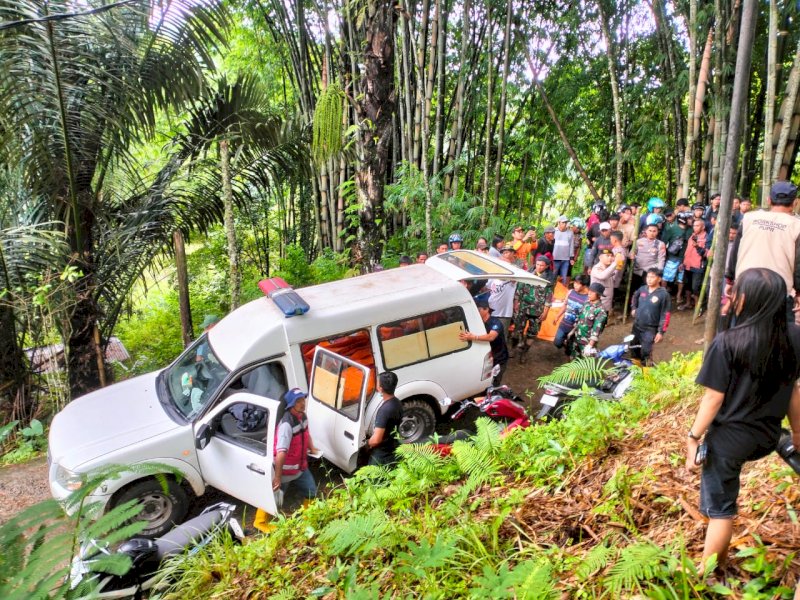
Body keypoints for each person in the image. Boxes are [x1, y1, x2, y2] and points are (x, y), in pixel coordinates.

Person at [686, 268, 800, 573]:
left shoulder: (727, 343)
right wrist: (798, 438)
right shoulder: (795, 338)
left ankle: (708, 573)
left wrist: (693, 437)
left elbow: (713, 399)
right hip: (767, 435)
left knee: (721, 511)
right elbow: (793, 394)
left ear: (744, 299)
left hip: (730, 443)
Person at [726, 181, 800, 323]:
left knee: (741, 331)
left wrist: (729, 279)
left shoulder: (749, 218)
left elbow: (735, 251)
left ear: (769, 200)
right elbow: (799, 264)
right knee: (776, 336)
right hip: (779, 291)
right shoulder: (797, 226)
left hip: (746, 286)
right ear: (795, 202)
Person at [253, 387, 319, 533]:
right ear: (291, 405)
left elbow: (306, 435)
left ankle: (309, 518)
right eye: (298, 401)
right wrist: (277, 476)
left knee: (311, 491)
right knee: (275, 497)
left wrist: (313, 449)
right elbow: (281, 452)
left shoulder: (303, 417)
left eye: (303, 399)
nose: (303, 403)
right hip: (286, 471)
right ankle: (260, 522)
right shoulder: (286, 425)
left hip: (300, 467)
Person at [512, 256, 554, 363]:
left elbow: (549, 297)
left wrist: (545, 312)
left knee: (532, 333)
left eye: (542, 265)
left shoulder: (548, 279)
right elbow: (520, 288)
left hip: (537, 311)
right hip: (524, 307)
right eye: (537, 264)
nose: (539, 267)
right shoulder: (529, 274)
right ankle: (514, 348)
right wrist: (516, 302)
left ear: (547, 266)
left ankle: (524, 353)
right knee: (518, 329)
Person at [459, 298, 509, 386]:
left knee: (494, 381)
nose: (477, 312)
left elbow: (491, 337)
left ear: (486, 309)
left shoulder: (495, 322)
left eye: (479, 310)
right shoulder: (478, 322)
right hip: (486, 358)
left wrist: (473, 337)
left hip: (499, 358)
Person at [630, 268, 670, 365]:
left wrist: (660, 332)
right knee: (633, 348)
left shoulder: (664, 294)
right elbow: (634, 296)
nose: (649, 279)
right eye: (648, 277)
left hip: (650, 329)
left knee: (646, 352)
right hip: (637, 325)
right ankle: (636, 369)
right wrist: (634, 308)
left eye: (652, 277)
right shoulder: (642, 289)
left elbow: (666, 315)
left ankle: (647, 374)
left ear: (659, 279)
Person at [368, 371, 404, 466]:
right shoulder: (397, 403)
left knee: (374, 478)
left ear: (380, 389)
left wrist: (367, 444)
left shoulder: (384, 411)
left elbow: (376, 440)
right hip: (393, 446)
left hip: (382, 453)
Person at [566, 282, 608, 359]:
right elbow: (579, 319)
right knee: (573, 361)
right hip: (576, 338)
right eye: (589, 291)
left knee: (586, 365)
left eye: (592, 292)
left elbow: (597, 330)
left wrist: (590, 345)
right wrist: (573, 331)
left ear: (598, 295)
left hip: (587, 342)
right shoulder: (587, 303)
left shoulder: (601, 311)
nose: (589, 293)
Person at [552, 274, 590, 351]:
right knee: (557, 342)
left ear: (584, 286)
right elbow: (565, 305)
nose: (575, 285)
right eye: (575, 283)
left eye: (578, 284)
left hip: (575, 327)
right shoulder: (570, 292)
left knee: (571, 348)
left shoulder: (588, 298)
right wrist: (557, 316)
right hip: (564, 323)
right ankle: (565, 343)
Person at [489, 245, 518, 338]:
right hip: (491, 311)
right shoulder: (492, 275)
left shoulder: (513, 276)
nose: (506, 254)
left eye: (508, 252)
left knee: (502, 337)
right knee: (490, 336)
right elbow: (486, 288)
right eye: (504, 252)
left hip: (504, 313)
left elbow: (514, 278)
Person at [679, 218, 709, 311]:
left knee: (695, 287)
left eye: (697, 225)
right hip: (687, 264)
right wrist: (683, 262)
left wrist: (697, 246)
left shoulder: (706, 237)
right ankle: (688, 303)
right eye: (694, 225)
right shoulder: (692, 235)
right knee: (687, 285)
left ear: (703, 227)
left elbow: (705, 254)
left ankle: (697, 306)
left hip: (698, 266)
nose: (695, 227)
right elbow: (687, 250)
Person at [631, 223, 666, 293]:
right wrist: (632, 255)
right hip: (637, 271)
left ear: (657, 232)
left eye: (654, 231)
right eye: (650, 230)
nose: (652, 233)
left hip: (649, 273)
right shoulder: (638, 241)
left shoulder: (660, 244)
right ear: (646, 231)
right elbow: (631, 254)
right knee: (634, 291)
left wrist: (656, 274)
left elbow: (661, 261)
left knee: (645, 292)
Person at [590, 248, 617, 313]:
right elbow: (602, 276)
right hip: (598, 302)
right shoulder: (596, 268)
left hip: (606, 301)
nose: (610, 258)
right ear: (600, 257)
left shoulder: (608, 268)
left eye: (611, 256)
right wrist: (614, 264)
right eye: (607, 256)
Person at [552, 216, 574, 285]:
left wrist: (571, 257)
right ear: (559, 223)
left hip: (565, 259)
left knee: (563, 279)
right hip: (555, 258)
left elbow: (571, 246)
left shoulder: (570, 233)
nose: (565, 224)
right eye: (563, 222)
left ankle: (560, 294)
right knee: (553, 277)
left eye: (566, 222)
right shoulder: (553, 231)